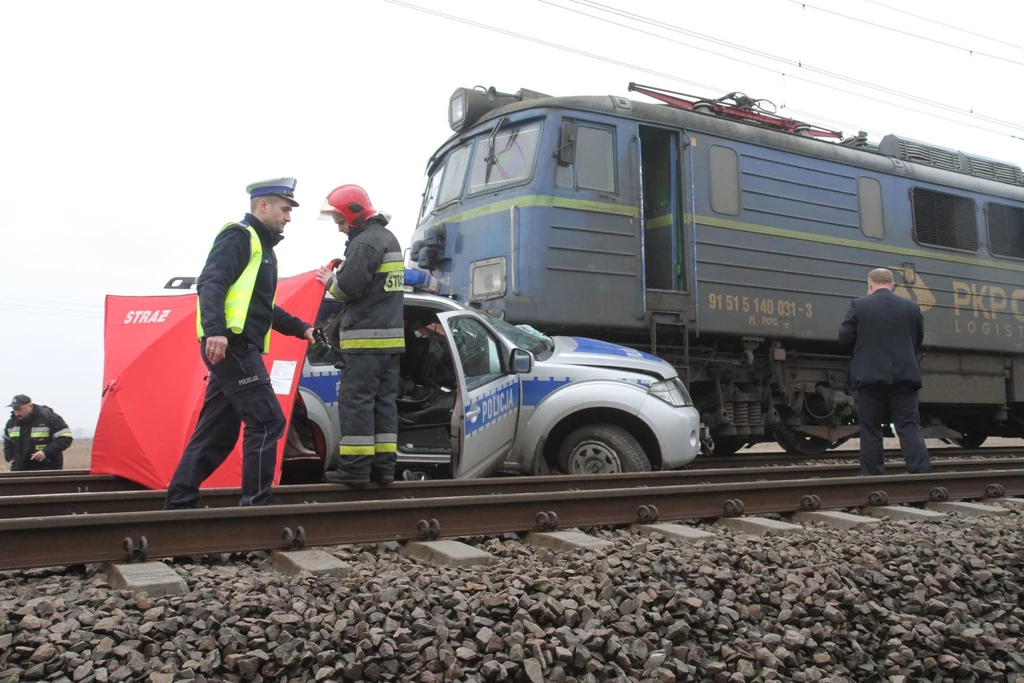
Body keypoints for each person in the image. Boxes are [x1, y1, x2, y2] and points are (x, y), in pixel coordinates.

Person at [164, 178, 316, 508]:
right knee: (267, 420)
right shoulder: (239, 237)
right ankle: (256, 509)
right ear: (263, 205)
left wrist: (301, 328)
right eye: (285, 209)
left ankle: (179, 502)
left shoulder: (264, 250)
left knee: (217, 432)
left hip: (235, 348)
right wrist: (215, 330)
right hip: (232, 345)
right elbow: (211, 282)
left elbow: (262, 308)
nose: (288, 217)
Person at [316, 184, 405, 487]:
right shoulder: (387, 238)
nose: (340, 229)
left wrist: (330, 279)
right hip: (390, 344)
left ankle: (354, 470)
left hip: (365, 343)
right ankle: (383, 471)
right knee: (383, 405)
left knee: (357, 403)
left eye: (341, 221)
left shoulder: (365, 242)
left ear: (354, 214)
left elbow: (346, 289)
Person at [838, 267, 932, 476]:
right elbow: (918, 339)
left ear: (870, 285)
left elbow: (844, 339)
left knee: (871, 428)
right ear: (893, 285)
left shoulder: (859, 305)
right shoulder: (911, 307)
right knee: (908, 426)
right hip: (904, 377)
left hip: (870, 377)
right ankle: (921, 474)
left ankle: (872, 477)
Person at [3, 395, 74, 471]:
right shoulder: (11, 423)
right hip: (19, 470)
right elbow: (7, 443)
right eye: (14, 409)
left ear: (30, 406)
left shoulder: (48, 418)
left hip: (47, 469)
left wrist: (45, 452)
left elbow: (65, 438)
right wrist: (11, 459)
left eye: (19, 409)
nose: (17, 413)